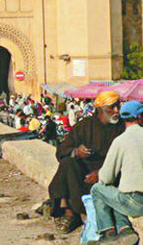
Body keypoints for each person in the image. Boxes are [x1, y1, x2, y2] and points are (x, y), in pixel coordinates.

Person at [88, 100, 143, 245]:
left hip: (138, 203)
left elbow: (105, 178)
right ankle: (125, 231)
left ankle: (107, 234)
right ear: (141, 117)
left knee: (98, 190)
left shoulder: (120, 141)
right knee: (120, 192)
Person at [47, 91, 125, 233]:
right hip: (83, 172)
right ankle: (67, 212)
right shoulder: (84, 126)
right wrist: (76, 151)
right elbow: (62, 150)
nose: (116, 111)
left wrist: (102, 173)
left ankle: (77, 213)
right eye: (112, 107)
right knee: (67, 164)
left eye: (118, 107)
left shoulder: (122, 128)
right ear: (100, 109)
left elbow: (126, 158)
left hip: (110, 173)